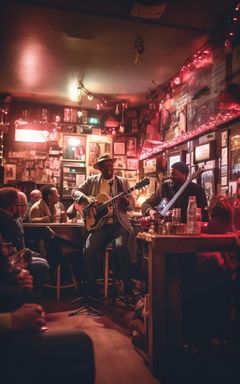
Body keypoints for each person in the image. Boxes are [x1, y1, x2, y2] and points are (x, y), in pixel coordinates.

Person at [72, 153, 137, 298]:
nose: (108, 168)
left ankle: (127, 288)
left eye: (110, 165)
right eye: (104, 166)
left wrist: (127, 203)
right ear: (100, 168)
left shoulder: (122, 182)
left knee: (121, 248)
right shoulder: (92, 181)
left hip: (118, 225)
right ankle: (92, 288)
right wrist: (85, 198)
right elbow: (74, 191)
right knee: (89, 250)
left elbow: (132, 205)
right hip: (99, 226)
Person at [0, 188, 49, 299]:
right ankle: (30, 298)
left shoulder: (13, 218)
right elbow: (13, 248)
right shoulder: (5, 218)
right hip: (7, 263)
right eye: (19, 204)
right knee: (42, 264)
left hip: (9, 260)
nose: (24, 207)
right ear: (12, 205)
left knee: (43, 260)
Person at [141, 161, 208, 222]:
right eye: (170, 174)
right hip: (164, 228)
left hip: (187, 229)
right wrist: (151, 211)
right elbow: (146, 204)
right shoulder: (164, 187)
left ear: (184, 175)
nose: (170, 176)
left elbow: (203, 215)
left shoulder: (196, 190)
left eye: (174, 174)